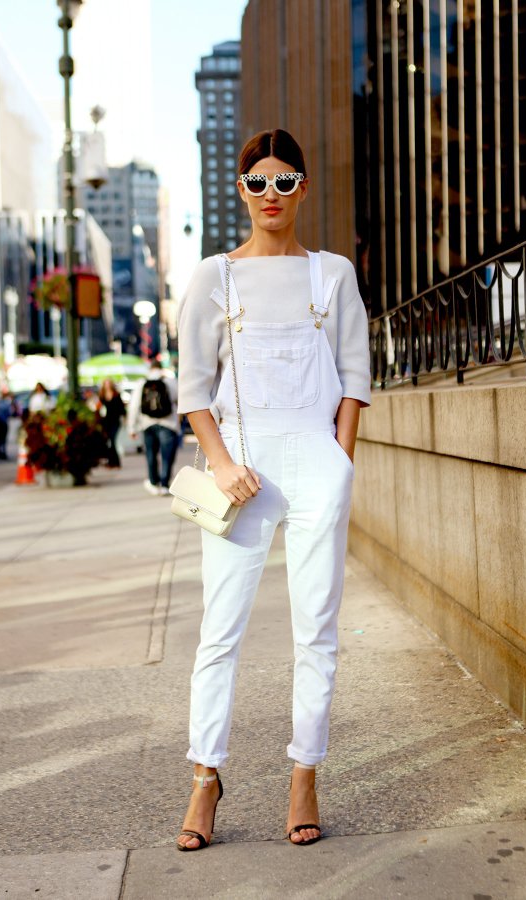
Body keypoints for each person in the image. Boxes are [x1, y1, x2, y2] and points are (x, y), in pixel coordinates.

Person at [176, 129, 371, 851]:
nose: (271, 197)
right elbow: (192, 385)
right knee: (218, 633)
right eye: (258, 183)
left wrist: (339, 461)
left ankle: (305, 773)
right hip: (239, 471)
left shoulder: (332, 274)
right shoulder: (214, 277)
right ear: (240, 189)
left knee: (316, 631)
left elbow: (355, 375)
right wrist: (221, 462)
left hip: (317, 462)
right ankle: (204, 779)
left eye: (286, 183)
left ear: (304, 189)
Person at [127, 362, 179, 495]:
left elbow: (133, 407)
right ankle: (164, 483)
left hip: (147, 424)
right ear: (161, 368)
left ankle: (153, 482)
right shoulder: (170, 382)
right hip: (168, 424)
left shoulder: (141, 383)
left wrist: (132, 428)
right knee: (166, 456)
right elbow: (180, 399)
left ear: (150, 369)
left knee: (151, 455)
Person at [97, 379, 125, 468]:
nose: (107, 385)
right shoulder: (101, 396)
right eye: (106, 384)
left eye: (109, 384)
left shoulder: (116, 395)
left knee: (113, 441)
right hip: (105, 422)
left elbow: (122, 409)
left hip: (115, 421)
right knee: (108, 441)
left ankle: (115, 462)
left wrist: (124, 418)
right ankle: (111, 462)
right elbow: (99, 408)